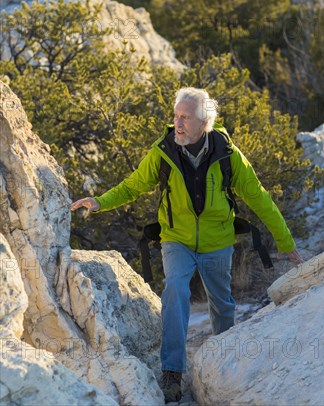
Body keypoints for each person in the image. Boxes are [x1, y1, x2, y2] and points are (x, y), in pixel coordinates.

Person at [71, 87, 303, 403]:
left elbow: (259, 197)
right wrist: (99, 202)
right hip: (176, 240)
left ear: (203, 122)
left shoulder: (227, 153)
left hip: (218, 242)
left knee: (222, 303)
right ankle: (172, 374)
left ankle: (225, 364)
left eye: (185, 118)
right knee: (175, 291)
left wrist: (285, 241)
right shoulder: (163, 150)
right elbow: (133, 186)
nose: (178, 124)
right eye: (176, 116)